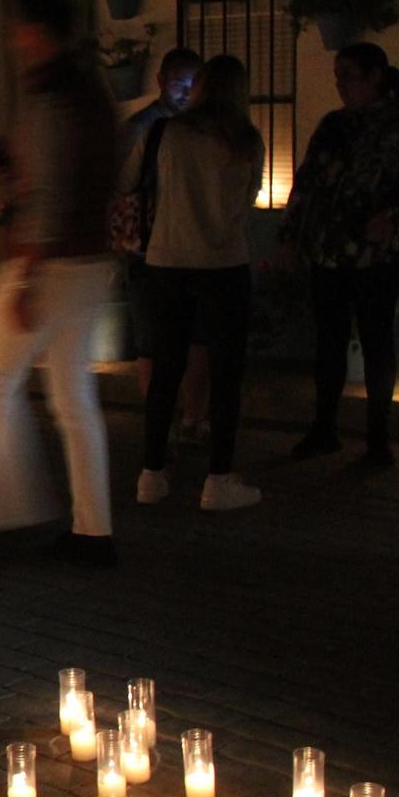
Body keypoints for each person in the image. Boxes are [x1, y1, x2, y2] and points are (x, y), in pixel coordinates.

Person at [0, 0, 120, 564]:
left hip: (47, 261)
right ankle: (92, 530)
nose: (14, 41)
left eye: (20, 30)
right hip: (92, 261)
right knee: (74, 397)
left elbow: (47, 194)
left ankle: (2, 505)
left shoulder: (51, 96)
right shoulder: (90, 93)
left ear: (38, 33)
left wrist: (26, 279)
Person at [280, 43, 399, 466]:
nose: (341, 85)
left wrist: (397, 216)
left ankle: (377, 437)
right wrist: (290, 234)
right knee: (329, 343)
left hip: (376, 255)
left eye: (349, 76)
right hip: (328, 251)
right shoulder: (333, 126)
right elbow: (307, 181)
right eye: (337, 77)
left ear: (376, 77)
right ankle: (325, 428)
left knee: (375, 341)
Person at [129, 55, 264, 510]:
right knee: (226, 375)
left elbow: (133, 182)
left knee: (165, 370)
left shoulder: (167, 132)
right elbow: (247, 200)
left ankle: (151, 474)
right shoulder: (247, 140)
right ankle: (218, 478)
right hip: (224, 265)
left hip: (166, 261)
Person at [117, 47, 209, 438]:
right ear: (161, 81)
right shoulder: (144, 127)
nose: (186, 92)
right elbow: (121, 186)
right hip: (149, 246)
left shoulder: (203, 129)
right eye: (179, 83)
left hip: (184, 246)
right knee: (152, 340)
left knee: (193, 337)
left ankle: (188, 417)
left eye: (193, 85)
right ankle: (164, 422)